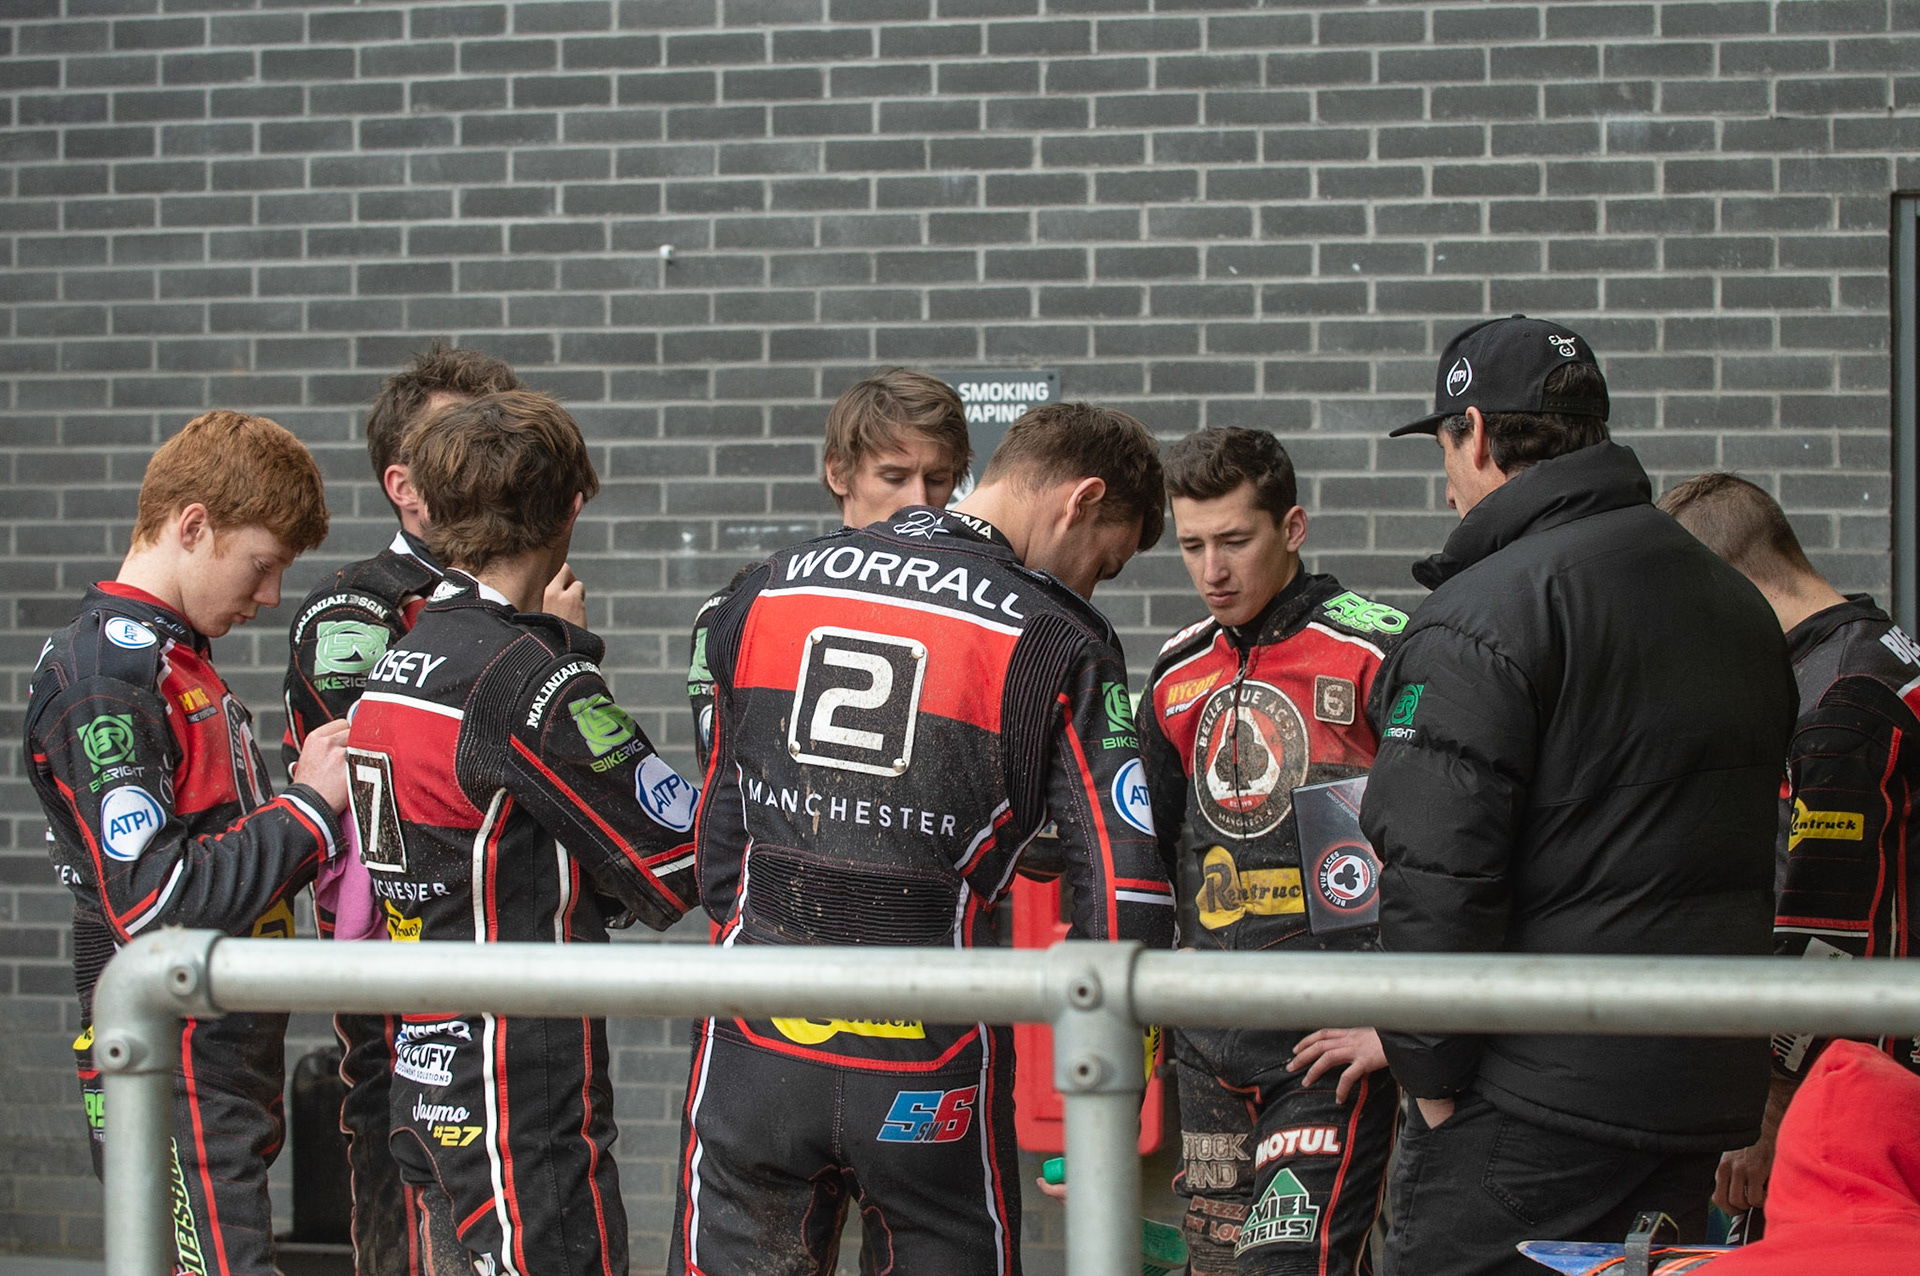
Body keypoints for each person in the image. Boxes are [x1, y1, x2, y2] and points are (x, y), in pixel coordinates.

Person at [670, 402, 1178, 1276]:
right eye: (1106, 561)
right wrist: (1107, 1067)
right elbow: (1127, 889)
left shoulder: (759, 590)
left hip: (753, 1039)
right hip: (928, 1054)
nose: (1094, 584)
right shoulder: (1058, 634)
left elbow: (720, 838)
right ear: (1081, 499)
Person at [1357, 316, 1799, 1275]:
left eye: (1444, 445)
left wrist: (1431, 1079)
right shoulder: (1732, 599)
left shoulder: (1482, 613)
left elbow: (1434, 868)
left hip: (1527, 1105)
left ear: (1474, 433)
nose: (1445, 479)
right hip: (1692, 1090)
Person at [346, 390, 700, 1276]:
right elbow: (675, 855)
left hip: (421, 1063)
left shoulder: (405, 650)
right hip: (516, 1077)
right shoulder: (522, 674)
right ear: (574, 503)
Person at [25, 410, 348, 1276]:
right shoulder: (106, 679)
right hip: (170, 1053)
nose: (271, 595)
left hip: (219, 1055)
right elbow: (154, 901)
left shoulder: (175, 659)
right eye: (263, 565)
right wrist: (311, 809)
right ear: (193, 524)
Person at [280, 340, 528, 1276]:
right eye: (456, 446)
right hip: (398, 951)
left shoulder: (516, 601)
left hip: (509, 939)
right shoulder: (355, 605)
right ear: (405, 485)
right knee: (403, 1171)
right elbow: (391, 774)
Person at [1140, 427, 1402, 1275]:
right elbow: (1135, 855)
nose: (1212, 569)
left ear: (1291, 528)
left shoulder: (1380, 651)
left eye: (1235, 541)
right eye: (1191, 545)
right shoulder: (1177, 671)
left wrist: (1399, 1016)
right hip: (1208, 1041)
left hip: (1331, 1038)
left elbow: (1450, 849)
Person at [1658, 473, 1920, 1222]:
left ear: (1727, 582)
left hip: (1866, 1078)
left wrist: (1770, 1103)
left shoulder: (1840, 705)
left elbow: (1824, 934)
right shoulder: (1882, 650)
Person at [686, 367, 969, 769]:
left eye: (938, 479)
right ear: (838, 472)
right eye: (894, 477)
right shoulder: (750, 603)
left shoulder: (973, 609)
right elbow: (730, 769)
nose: (919, 501)